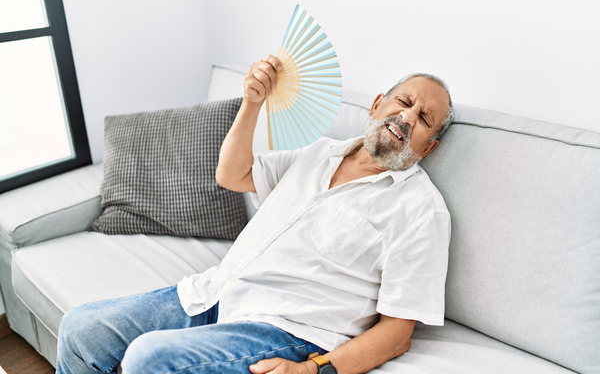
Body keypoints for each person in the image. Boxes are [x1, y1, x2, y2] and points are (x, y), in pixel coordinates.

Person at [56, 55, 453, 374]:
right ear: (377, 104)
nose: (407, 116)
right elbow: (233, 174)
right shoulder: (319, 152)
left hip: (285, 328)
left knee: (149, 358)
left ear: (427, 148)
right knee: (81, 330)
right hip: (213, 293)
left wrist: (315, 370)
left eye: (424, 119)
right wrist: (252, 103)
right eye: (404, 102)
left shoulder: (421, 210)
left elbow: (398, 332)